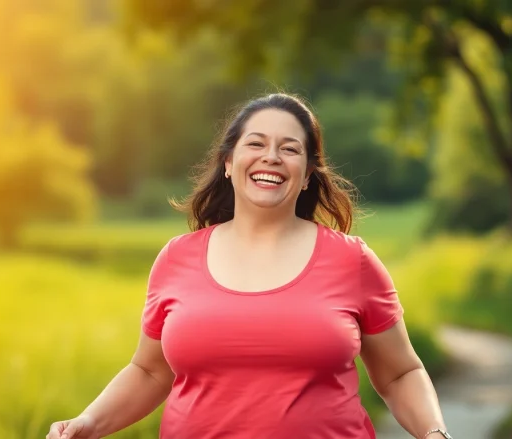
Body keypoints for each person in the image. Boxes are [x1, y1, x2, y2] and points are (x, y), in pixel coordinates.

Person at [46, 93, 451, 439]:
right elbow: (150, 372)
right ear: (228, 162)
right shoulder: (176, 259)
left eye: (289, 149)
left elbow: (400, 374)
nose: (271, 158)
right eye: (256, 144)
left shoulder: (352, 260)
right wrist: (89, 423)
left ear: (308, 174)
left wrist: (434, 432)